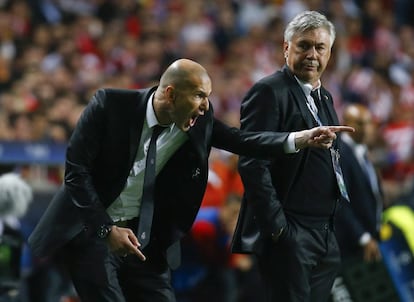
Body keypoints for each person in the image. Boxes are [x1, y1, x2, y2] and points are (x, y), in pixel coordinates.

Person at [28, 58, 352, 302]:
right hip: (92, 230)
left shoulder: (198, 120)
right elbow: (76, 173)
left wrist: (299, 138)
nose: (206, 106)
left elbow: (240, 140)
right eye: (199, 95)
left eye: (207, 97)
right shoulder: (110, 105)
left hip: (145, 239)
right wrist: (106, 229)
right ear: (170, 93)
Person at [232, 11, 350, 302]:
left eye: (320, 47)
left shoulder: (324, 96)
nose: (312, 54)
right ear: (286, 48)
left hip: (324, 233)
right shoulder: (268, 92)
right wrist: (279, 230)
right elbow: (251, 161)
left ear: (330, 53)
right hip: (292, 233)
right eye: (304, 46)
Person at [335, 104, 383, 262]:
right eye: (362, 123)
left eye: (369, 123)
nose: (368, 128)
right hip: (354, 243)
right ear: (348, 125)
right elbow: (341, 201)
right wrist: (363, 237)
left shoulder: (362, 150)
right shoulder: (340, 152)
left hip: (372, 236)